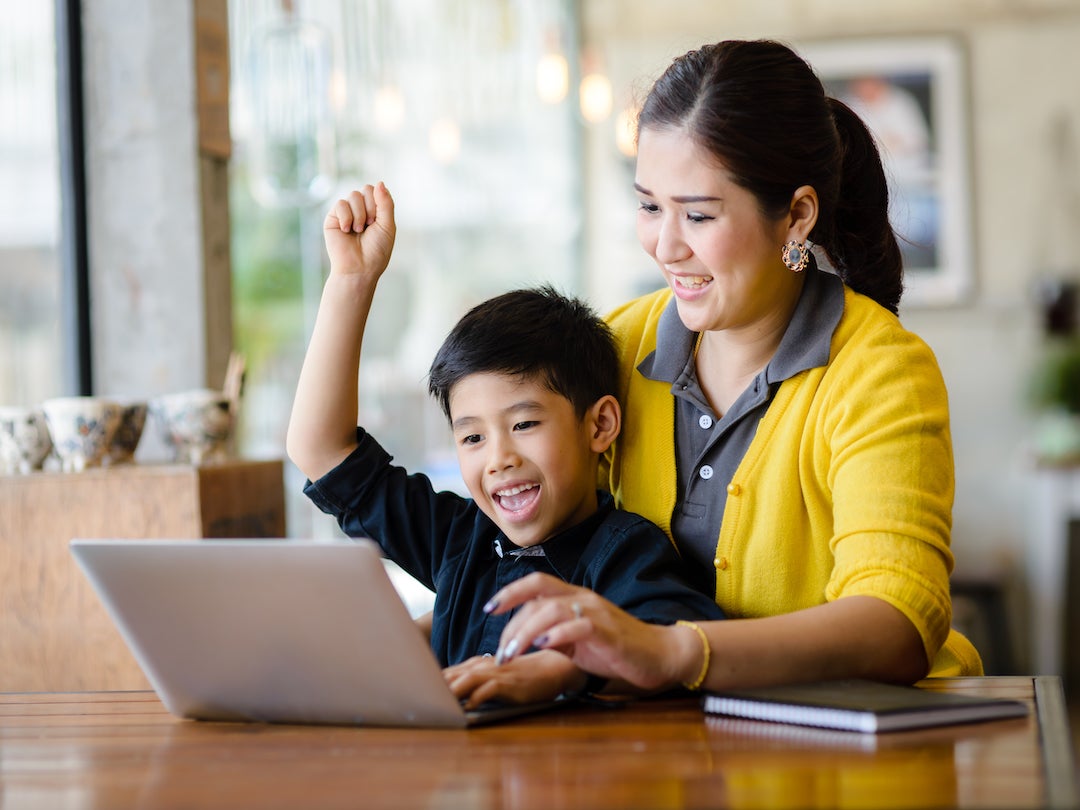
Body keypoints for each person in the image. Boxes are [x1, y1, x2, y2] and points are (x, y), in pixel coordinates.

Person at [483, 39, 984, 694]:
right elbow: (542, 536)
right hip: (673, 751)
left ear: (797, 216)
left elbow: (897, 624)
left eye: (697, 214)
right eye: (649, 205)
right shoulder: (620, 346)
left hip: (852, 757)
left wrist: (669, 652)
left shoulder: (880, 371)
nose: (666, 246)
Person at [285, 183, 724, 707]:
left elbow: (681, 643)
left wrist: (562, 667)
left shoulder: (622, 551)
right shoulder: (458, 539)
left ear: (599, 426)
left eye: (524, 425)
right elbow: (321, 452)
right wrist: (351, 282)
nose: (499, 459)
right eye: (472, 437)